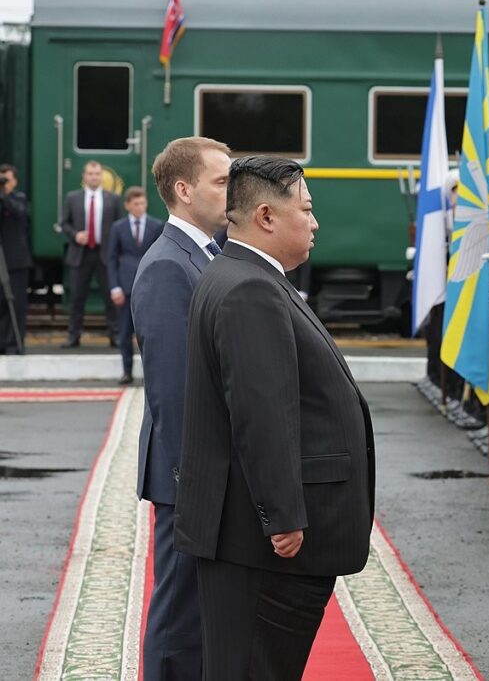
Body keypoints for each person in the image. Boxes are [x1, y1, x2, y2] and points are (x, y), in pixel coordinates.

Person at [174, 155, 375, 679]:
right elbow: (262, 412)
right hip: (264, 545)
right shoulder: (250, 288)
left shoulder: (239, 274)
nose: (314, 222)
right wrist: (282, 515)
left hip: (246, 531)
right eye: (306, 210)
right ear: (266, 216)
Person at [131, 136, 231, 681]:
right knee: (178, 617)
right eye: (221, 180)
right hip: (186, 476)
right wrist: (193, 481)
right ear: (184, 189)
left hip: (200, 472)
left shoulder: (203, 255)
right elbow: (174, 390)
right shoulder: (170, 265)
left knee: (198, 614)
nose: (231, 189)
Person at [60, 160, 123, 348]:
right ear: (84, 176)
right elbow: (64, 223)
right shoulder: (73, 198)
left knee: (110, 297)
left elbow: (119, 226)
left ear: (101, 177)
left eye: (97, 174)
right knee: (77, 298)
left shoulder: (112, 198)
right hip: (80, 254)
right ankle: (73, 336)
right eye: (90, 174)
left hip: (105, 254)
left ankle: (115, 335)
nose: (94, 177)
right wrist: (75, 235)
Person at [107, 187, 164, 384]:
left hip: (149, 288)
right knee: (124, 333)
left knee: (149, 333)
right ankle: (127, 371)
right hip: (125, 288)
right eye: (136, 204)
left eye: (143, 203)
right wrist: (114, 287)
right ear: (127, 205)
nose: (140, 207)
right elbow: (111, 259)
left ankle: (152, 373)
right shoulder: (118, 228)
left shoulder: (157, 226)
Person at [0, 163, 31, 354]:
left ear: (15, 182)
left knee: (16, 304)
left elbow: (19, 212)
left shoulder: (19, 198)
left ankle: (14, 343)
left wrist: (3, 194)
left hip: (15, 261)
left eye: (6, 180)